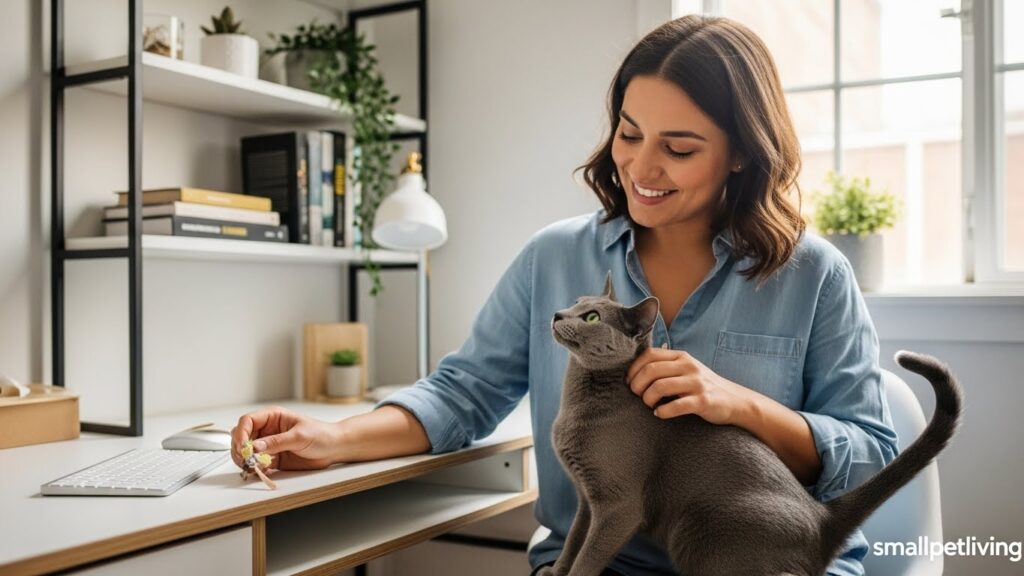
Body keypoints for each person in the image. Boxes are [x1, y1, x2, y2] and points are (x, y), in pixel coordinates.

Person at [232, 15, 897, 576]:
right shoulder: (553, 257)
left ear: (742, 153)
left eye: (679, 148)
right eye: (629, 133)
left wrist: (743, 406)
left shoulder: (815, 274)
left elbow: (871, 456)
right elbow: (463, 394)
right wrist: (332, 438)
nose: (640, 167)